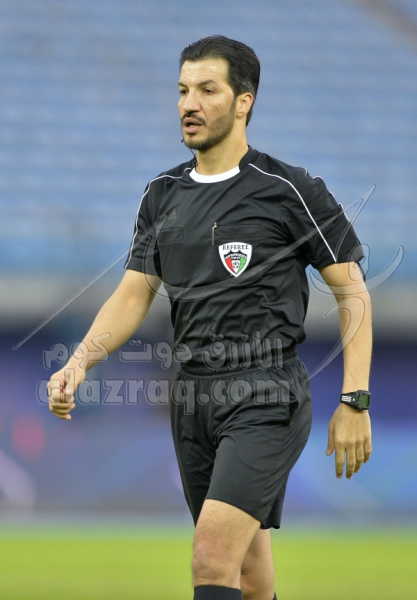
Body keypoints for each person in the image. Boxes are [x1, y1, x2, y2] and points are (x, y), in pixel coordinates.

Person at [47, 36, 372, 600]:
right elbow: (133, 293)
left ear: (244, 102)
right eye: (182, 90)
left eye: (206, 90)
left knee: (211, 557)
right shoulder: (161, 194)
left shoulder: (288, 189)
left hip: (265, 393)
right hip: (192, 396)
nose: (188, 104)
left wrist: (355, 400)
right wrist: (78, 363)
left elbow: (353, 293)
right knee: (247, 574)